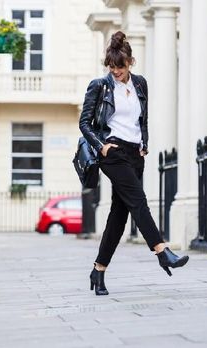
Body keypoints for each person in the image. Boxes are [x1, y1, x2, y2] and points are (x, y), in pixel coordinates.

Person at [79, 31, 189, 296]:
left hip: (134, 154)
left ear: (130, 62)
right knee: (138, 200)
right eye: (111, 66)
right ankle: (162, 251)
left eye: (120, 66)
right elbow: (85, 122)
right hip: (113, 152)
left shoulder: (140, 84)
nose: (115, 71)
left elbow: (143, 119)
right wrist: (102, 146)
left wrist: (144, 146)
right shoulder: (100, 85)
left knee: (119, 214)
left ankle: (99, 270)